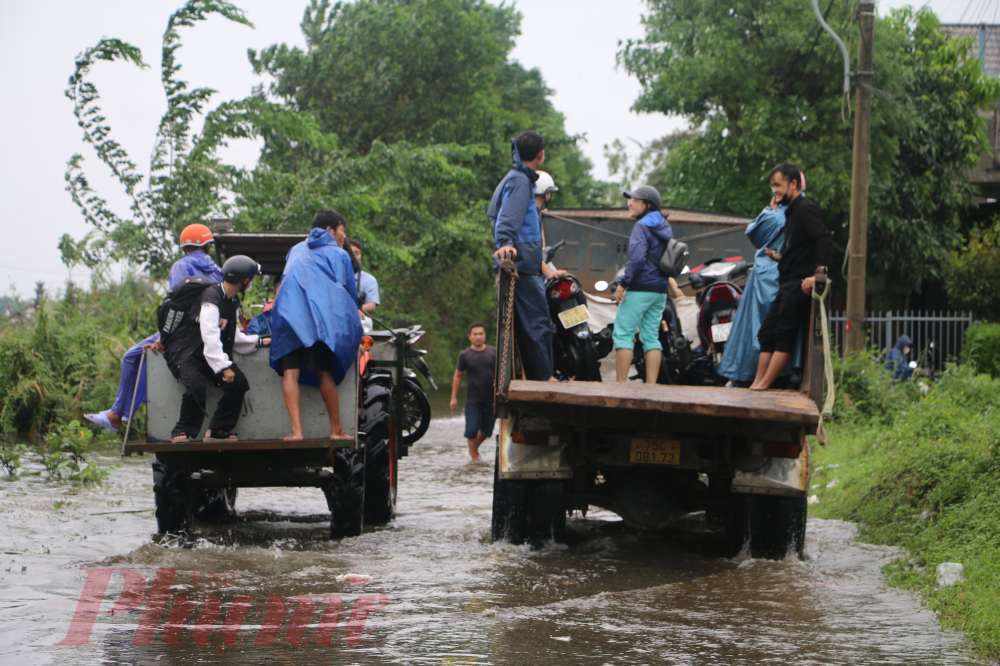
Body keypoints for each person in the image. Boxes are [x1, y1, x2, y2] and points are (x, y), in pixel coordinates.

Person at [84, 223, 224, 433]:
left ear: (184, 247)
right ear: (208, 247)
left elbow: (178, 305)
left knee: (132, 356)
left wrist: (167, 337)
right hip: (210, 329)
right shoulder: (219, 272)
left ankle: (117, 414)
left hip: (184, 329)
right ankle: (120, 412)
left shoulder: (182, 266)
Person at [270, 208, 363, 441]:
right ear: (330, 229)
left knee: (290, 375)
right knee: (325, 373)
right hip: (316, 323)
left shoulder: (295, 249)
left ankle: (296, 432)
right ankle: (336, 431)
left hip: (286, 319)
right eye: (343, 230)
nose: (344, 236)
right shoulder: (340, 254)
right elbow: (347, 295)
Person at [163, 255, 267, 443]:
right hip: (187, 352)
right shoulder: (212, 295)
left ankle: (217, 429)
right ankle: (182, 430)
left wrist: (258, 342)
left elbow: (232, 336)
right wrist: (222, 366)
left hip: (207, 354)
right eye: (251, 279)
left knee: (239, 383)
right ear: (244, 280)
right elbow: (209, 331)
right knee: (196, 385)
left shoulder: (232, 301)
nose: (251, 283)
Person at [749, 162, 833, 390]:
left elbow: (824, 240)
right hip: (787, 282)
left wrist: (819, 275)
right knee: (767, 333)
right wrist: (780, 257)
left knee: (783, 334)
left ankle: (763, 386)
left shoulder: (806, 208)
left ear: (793, 184)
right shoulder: (791, 211)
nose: (774, 191)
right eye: (772, 186)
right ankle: (757, 384)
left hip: (799, 285)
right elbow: (801, 249)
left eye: (778, 185)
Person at [718, 173, 807, 385]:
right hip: (791, 278)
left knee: (759, 330)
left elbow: (753, 232)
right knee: (784, 332)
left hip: (767, 277)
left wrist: (771, 208)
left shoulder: (776, 216)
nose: (775, 191)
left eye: (777, 186)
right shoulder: (801, 214)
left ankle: (750, 378)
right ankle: (781, 375)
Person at [489, 131, 558, 382]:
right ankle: (544, 378)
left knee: (532, 326)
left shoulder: (517, 178)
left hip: (528, 264)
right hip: (524, 266)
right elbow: (507, 219)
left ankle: (542, 376)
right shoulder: (519, 181)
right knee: (537, 324)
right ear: (540, 155)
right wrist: (506, 243)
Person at [612, 185, 674, 384]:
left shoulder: (641, 226)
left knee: (623, 334)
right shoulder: (664, 225)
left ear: (647, 204)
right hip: (659, 291)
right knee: (651, 337)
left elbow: (637, 259)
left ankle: (621, 386)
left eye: (634, 200)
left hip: (639, 288)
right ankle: (651, 387)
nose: (629, 203)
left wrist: (623, 284)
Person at [450, 322, 498, 462]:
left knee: (487, 430)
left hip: (491, 398)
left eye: (481, 334)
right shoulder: (465, 355)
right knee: (471, 430)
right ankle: (474, 457)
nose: (478, 337)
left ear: (485, 335)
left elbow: (501, 373)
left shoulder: (493, 352)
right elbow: (458, 376)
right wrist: (454, 398)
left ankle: (472, 451)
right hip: (473, 398)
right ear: (469, 336)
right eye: (475, 334)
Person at [347, 238, 380, 316]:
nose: (354, 257)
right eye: (351, 253)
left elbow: (372, 305)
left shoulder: (369, 280)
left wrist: (356, 310)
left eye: (357, 253)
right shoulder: (334, 276)